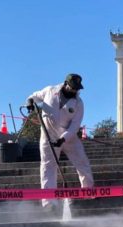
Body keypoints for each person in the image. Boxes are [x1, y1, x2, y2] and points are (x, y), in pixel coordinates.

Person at [26, 73, 94, 210]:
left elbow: (75, 125)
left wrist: (63, 138)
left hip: (69, 136)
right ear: (66, 84)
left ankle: (88, 192)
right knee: (47, 166)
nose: (75, 91)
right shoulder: (50, 91)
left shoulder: (79, 104)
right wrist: (29, 102)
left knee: (82, 162)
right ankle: (49, 202)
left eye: (77, 88)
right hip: (48, 135)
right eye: (73, 87)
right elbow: (34, 96)